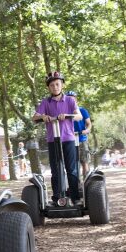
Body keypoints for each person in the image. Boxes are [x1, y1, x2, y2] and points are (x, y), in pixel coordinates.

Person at [32, 71, 83, 204]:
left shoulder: (70, 101)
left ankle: (75, 197)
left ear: (62, 85)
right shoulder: (46, 102)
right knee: (56, 170)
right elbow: (34, 118)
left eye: (57, 84)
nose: (55, 87)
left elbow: (79, 116)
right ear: (49, 88)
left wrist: (67, 115)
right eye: (52, 85)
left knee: (71, 169)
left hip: (68, 139)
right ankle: (57, 198)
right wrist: (42, 116)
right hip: (53, 140)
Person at [65, 91, 92, 177]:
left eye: (73, 99)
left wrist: (86, 130)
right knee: (71, 164)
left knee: (84, 162)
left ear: (76, 100)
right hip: (69, 140)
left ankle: (86, 182)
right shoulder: (65, 112)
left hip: (81, 139)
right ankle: (75, 184)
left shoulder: (82, 110)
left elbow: (89, 124)